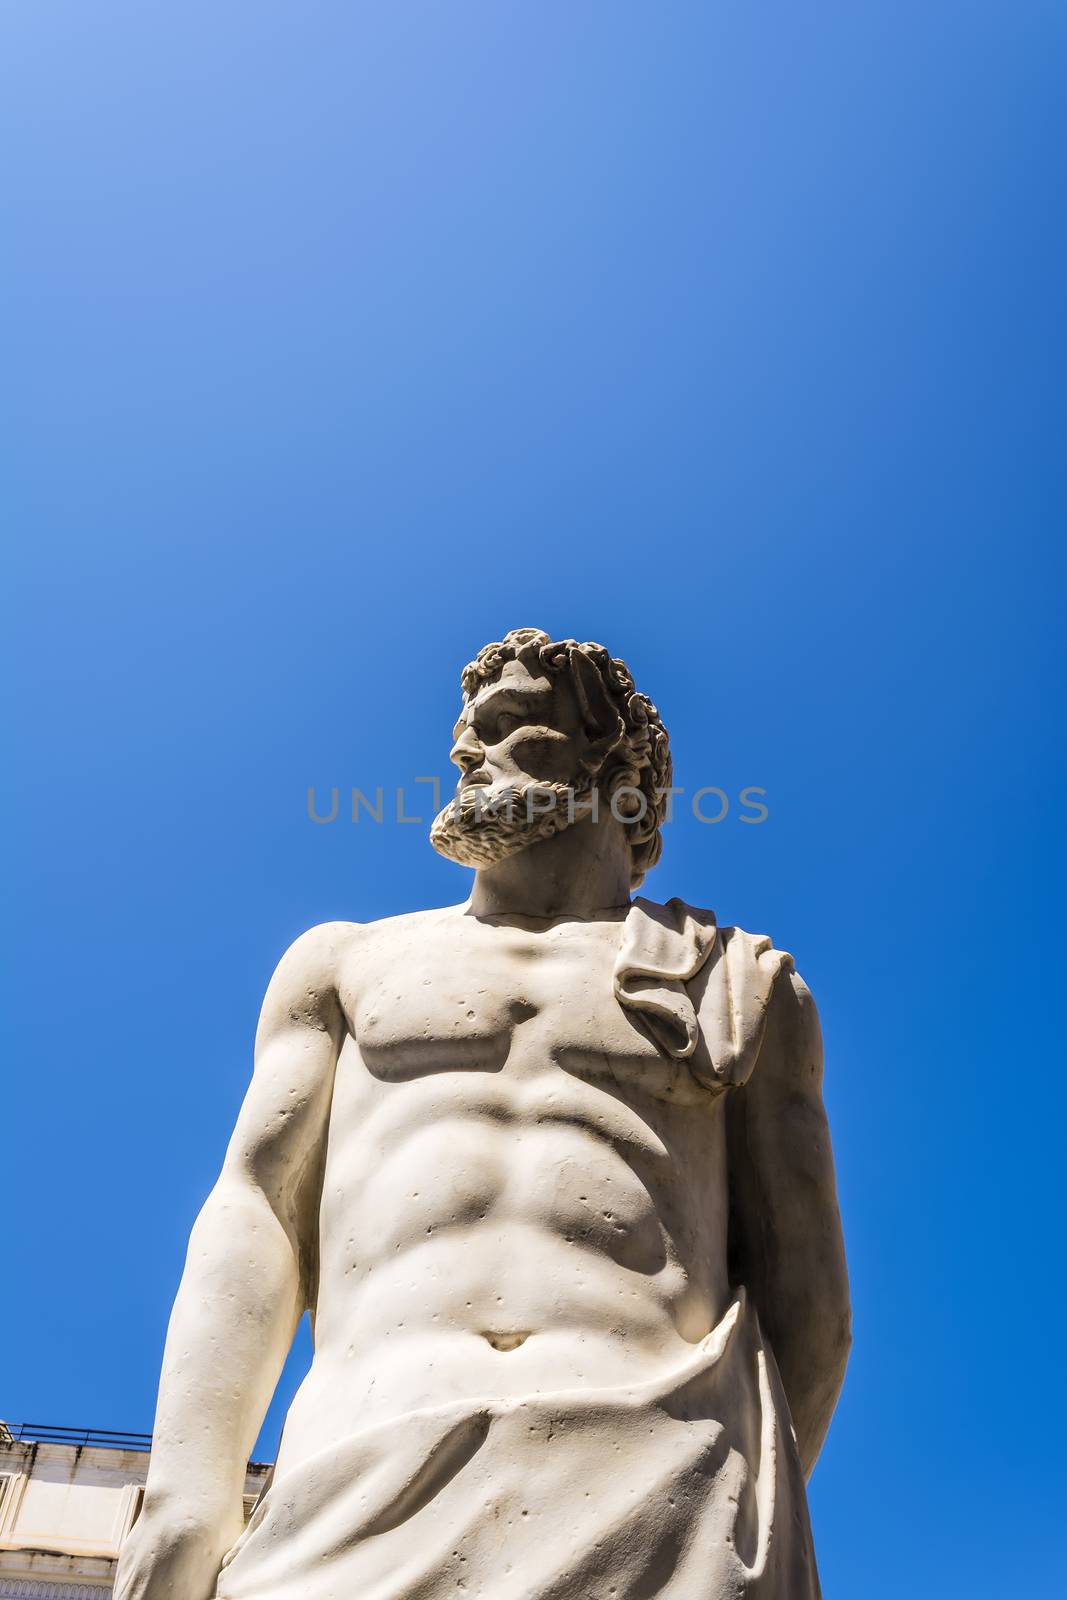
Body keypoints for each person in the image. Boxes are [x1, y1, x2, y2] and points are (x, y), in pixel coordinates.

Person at [115, 628, 850, 1600]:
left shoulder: (740, 987)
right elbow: (254, 1215)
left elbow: (809, 1300)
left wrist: (740, 1499)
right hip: (351, 1481)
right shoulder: (344, 962)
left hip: (663, 1486)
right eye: (465, 730)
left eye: (504, 724)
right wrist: (185, 1495)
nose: (465, 749)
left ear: (605, 756)